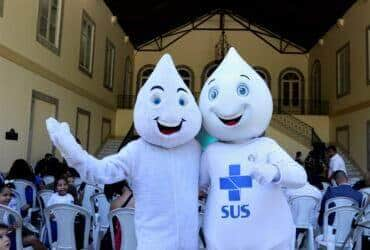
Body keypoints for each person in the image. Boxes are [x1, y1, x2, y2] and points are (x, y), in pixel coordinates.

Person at [46, 54, 202, 250]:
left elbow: (211, 180)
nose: (170, 114)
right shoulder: (137, 151)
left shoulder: (194, 149)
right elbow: (100, 172)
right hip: (154, 243)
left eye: (181, 102)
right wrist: (72, 152)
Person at [198, 47, 306, 249]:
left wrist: (275, 172)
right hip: (223, 239)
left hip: (267, 238)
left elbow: (299, 177)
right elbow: (199, 184)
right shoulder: (211, 152)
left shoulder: (266, 146)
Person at [0, 183, 46, 250]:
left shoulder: (9, 209)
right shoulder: (6, 209)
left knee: (33, 239)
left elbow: (13, 225)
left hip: (11, 237)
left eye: (10, 195)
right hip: (5, 241)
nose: (9, 197)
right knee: (33, 239)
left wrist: (14, 226)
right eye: (5, 195)